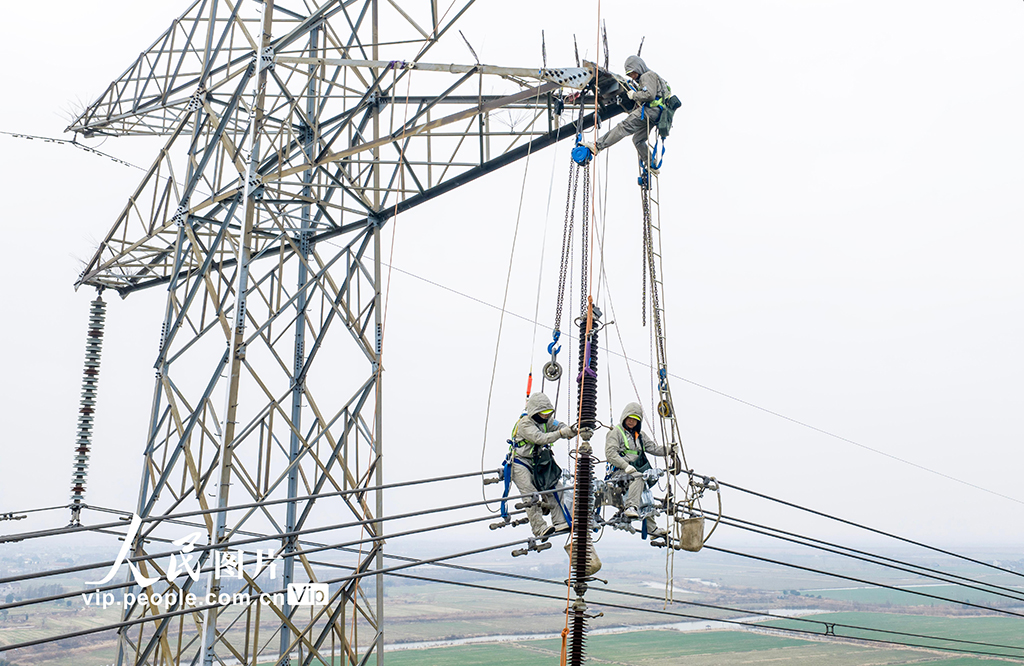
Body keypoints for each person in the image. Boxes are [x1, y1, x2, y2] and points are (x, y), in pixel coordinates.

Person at [580, 55, 669, 172]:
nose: (632, 76)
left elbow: (650, 95)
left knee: (623, 127)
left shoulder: (647, 76)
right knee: (638, 140)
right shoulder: (652, 77)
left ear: (639, 67)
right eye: (630, 74)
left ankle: (598, 146)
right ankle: (652, 165)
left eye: (633, 73)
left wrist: (634, 95)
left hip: (650, 111)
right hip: (657, 115)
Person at [508, 392, 577, 537]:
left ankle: (560, 523)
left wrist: (571, 430)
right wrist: (561, 433)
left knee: (555, 488)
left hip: (538, 462)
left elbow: (560, 426)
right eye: (543, 413)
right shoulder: (525, 423)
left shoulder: (548, 420)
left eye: (548, 412)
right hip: (521, 461)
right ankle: (540, 529)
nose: (545, 416)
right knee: (530, 494)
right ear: (534, 411)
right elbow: (540, 438)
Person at [605, 402, 670, 537]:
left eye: (635, 419)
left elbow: (653, 448)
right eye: (629, 418)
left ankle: (652, 529)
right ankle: (631, 507)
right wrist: (625, 466)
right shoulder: (615, 432)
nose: (631, 421)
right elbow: (610, 453)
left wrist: (669, 450)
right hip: (619, 473)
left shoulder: (640, 435)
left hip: (634, 473)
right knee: (639, 478)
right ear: (624, 417)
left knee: (645, 493)